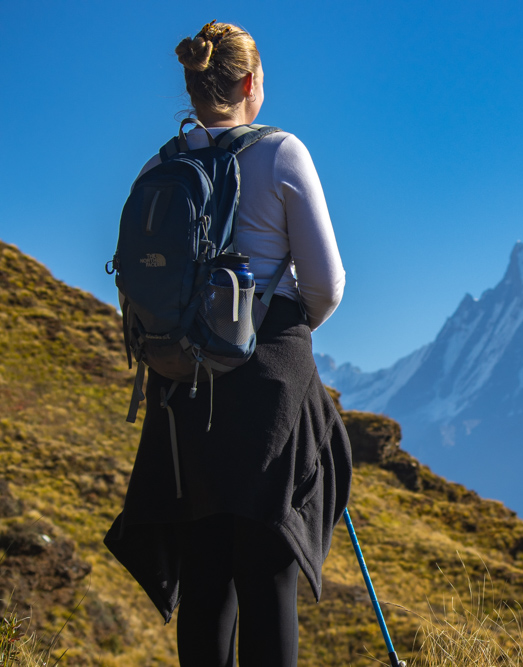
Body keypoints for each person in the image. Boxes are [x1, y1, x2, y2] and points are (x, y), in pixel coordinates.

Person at [104, 20, 351, 667]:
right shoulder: (280, 153)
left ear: (194, 85)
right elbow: (326, 283)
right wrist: (281, 333)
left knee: (206, 580)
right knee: (268, 575)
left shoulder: (161, 165)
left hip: (180, 393)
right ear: (249, 83)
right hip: (264, 391)